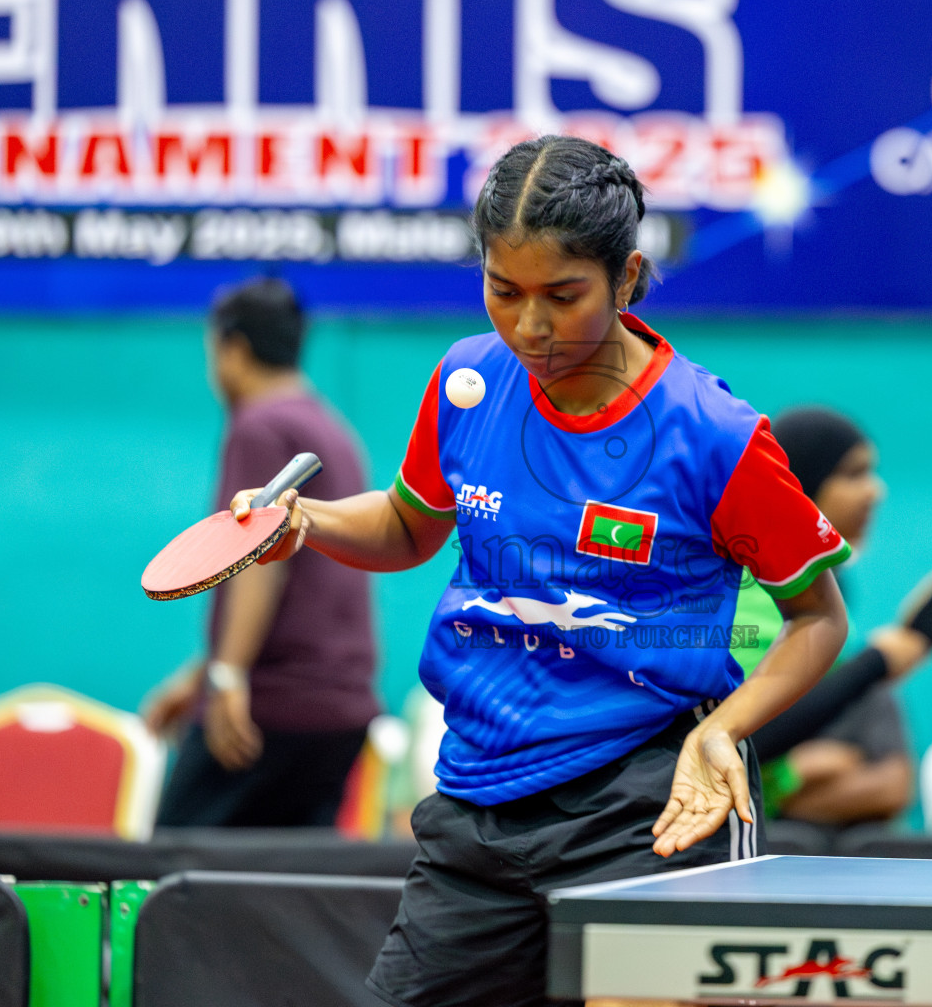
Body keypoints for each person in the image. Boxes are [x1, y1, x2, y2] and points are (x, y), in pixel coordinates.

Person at [225, 135, 851, 1007]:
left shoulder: (714, 435)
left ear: (628, 278)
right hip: (479, 798)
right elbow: (408, 525)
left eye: (563, 295)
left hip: (646, 802)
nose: (530, 326)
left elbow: (818, 618)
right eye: (504, 291)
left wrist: (723, 731)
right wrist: (307, 519)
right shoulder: (469, 382)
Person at [143, 277, 379, 827]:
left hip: (270, 709)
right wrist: (201, 676)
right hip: (340, 709)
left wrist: (226, 679)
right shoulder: (332, 431)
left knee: (172, 867)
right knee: (287, 876)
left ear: (233, 348)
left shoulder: (259, 427)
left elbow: (258, 562)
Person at [731, 407, 932, 854]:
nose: (876, 490)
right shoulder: (745, 590)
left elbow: (891, 785)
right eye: (854, 474)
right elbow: (742, 737)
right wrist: (877, 662)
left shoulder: (828, 590)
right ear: (802, 484)